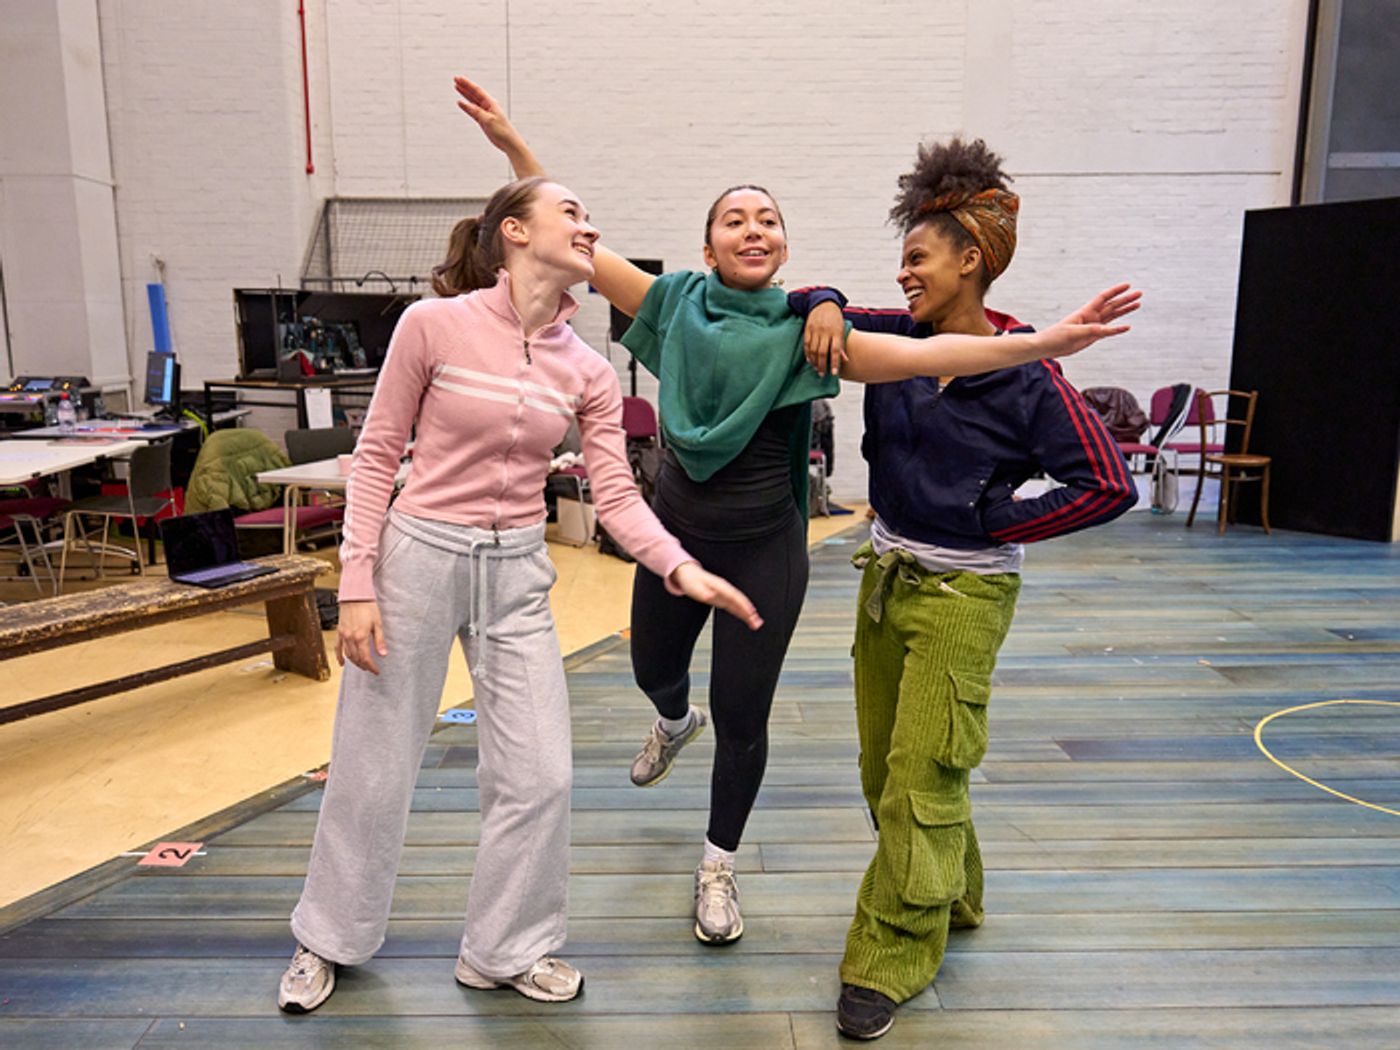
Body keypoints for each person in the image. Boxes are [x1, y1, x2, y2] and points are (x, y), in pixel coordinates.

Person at [454, 75, 1137, 948]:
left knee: (745, 718)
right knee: (653, 673)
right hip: (671, 540)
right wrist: (514, 143)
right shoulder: (670, 306)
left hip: (765, 552)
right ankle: (671, 720)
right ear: (708, 246)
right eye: (735, 219)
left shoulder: (808, 332)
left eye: (768, 220)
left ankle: (717, 865)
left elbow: (924, 350)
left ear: (783, 246)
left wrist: (1043, 341)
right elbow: (567, 240)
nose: (753, 229)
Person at [277, 175, 764, 1013]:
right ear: (513, 231)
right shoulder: (431, 326)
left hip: (516, 573)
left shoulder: (590, 369)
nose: (590, 226)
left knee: (540, 774)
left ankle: (505, 950)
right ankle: (328, 937)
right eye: (571, 212)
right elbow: (377, 452)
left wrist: (678, 567)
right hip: (419, 555)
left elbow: (614, 497)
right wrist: (356, 581)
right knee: (375, 761)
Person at [787, 138, 1139, 1040]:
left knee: (921, 773)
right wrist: (823, 301)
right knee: (887, 769)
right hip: (882, 580)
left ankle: (891, 953)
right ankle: (959, 890)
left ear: (969, 262)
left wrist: (991, 521)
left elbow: (1107, 484)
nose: (902, 276)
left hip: (963, 596)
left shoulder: (1029, 374)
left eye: (918, 258)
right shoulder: (900, 337)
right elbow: (811, 300)